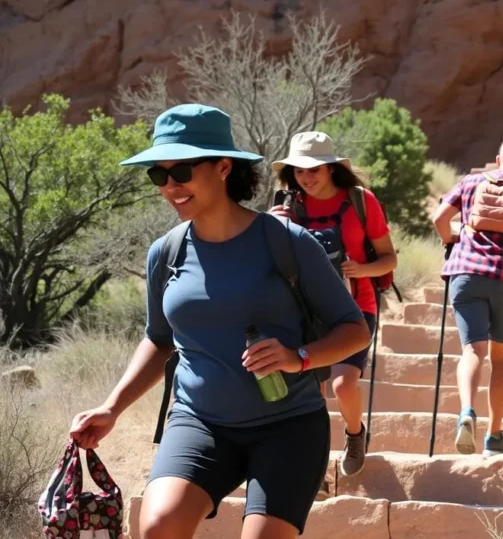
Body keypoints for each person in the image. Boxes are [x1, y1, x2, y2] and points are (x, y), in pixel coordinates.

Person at [68, 104, 371, 539]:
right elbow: (158, 340)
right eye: (159, 175)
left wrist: (299, 357)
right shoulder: (166, 252)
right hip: (200, 423)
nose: (171, 186)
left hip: (288, 426)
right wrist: (111, 407)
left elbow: (354, 328)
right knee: (157, 527)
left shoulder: (287, 242)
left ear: (224, 167)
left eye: (183, 171)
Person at [268, 131, 397, 478]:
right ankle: (318, 468)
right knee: (313, 394)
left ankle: (355, 434)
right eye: (299, 171)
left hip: (358, 307)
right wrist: (272, 224)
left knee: (342, 384)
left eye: (313, 170)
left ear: (330, 169)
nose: (306, 178)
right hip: (308, 313)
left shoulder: (361, 201)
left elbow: (389, 260)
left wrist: (362, 269)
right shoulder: (289, 208)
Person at [430, 135, 503, 457]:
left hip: (466, 275)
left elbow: (439, 218)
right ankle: (494, 437)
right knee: (500, 357)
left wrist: (452, 240)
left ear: (499, 160)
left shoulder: (470, 182)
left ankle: (467, 411)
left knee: (473, 351)